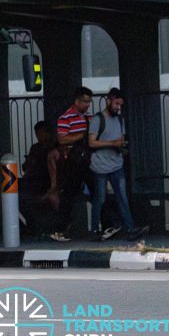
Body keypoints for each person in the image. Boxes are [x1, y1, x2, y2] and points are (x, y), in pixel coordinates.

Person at [88, 88, 149, 241]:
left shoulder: (120, 120)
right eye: (116, 104)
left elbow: (121, 139)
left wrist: (121, 146)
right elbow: (91, 142)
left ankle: (130, 229)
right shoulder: (97, 120)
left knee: (122, 197)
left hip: (117, 164)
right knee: (100, 198)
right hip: (100, 166)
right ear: (109, 100)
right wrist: (112, 143)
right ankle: (95, 229)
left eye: (120, 105)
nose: (118, 107)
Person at [48, 86, 94, 242]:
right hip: (73, 162)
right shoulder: (66, 118)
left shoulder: (89, 118)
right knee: (68, 196)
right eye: (85, 101)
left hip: (87, 161)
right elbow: (62, 139)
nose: (87, 105)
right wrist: (82, 135)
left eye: (89, 101)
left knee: (98, 192)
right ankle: (59, 229)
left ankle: (105, 225)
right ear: (77, 101)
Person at [20, 121, 60, 237]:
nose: (39, 136)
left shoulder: (54, 148)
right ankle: (30, 228)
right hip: (33, 181)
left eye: (41, 133)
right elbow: (26, 166)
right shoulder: (35, 148)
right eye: (37, 134)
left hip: (45, 182)